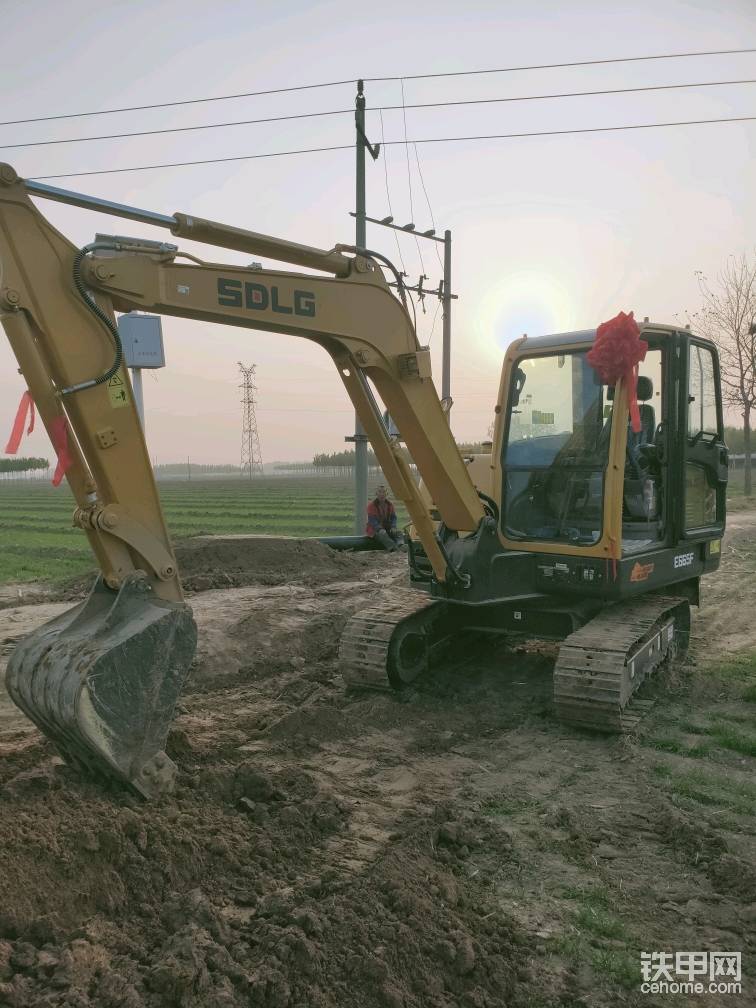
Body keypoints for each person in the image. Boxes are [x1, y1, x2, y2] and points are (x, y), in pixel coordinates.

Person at [366, 485, 403, 551]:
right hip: (375, 530)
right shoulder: (371, 505)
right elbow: (372, 520)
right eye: (380, 492)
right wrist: (380, 529)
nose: (382, 494)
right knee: (382, 534)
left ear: (387, 493)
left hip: (387, 528)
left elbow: (393, 517)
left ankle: (401, 545)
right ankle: (393, 548)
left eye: (384, 492)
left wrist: (393, 527)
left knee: (399, 532)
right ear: (376, 493)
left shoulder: (390, 504)